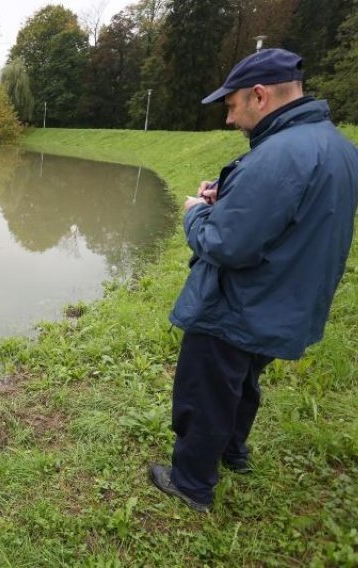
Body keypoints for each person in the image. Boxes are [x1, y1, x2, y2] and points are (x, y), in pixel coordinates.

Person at [148, 48, 358, 513]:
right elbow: (295, 213)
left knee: (205, 390)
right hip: (284, 300)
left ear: (259, 96)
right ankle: (232, 451)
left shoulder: (280, 154)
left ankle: (191, 483)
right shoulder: (337, 146)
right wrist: (231, 193)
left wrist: (197, 212)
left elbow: (224, 243)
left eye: (231, 105)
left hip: (240, 303)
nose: (229, 119)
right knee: (241, 382)